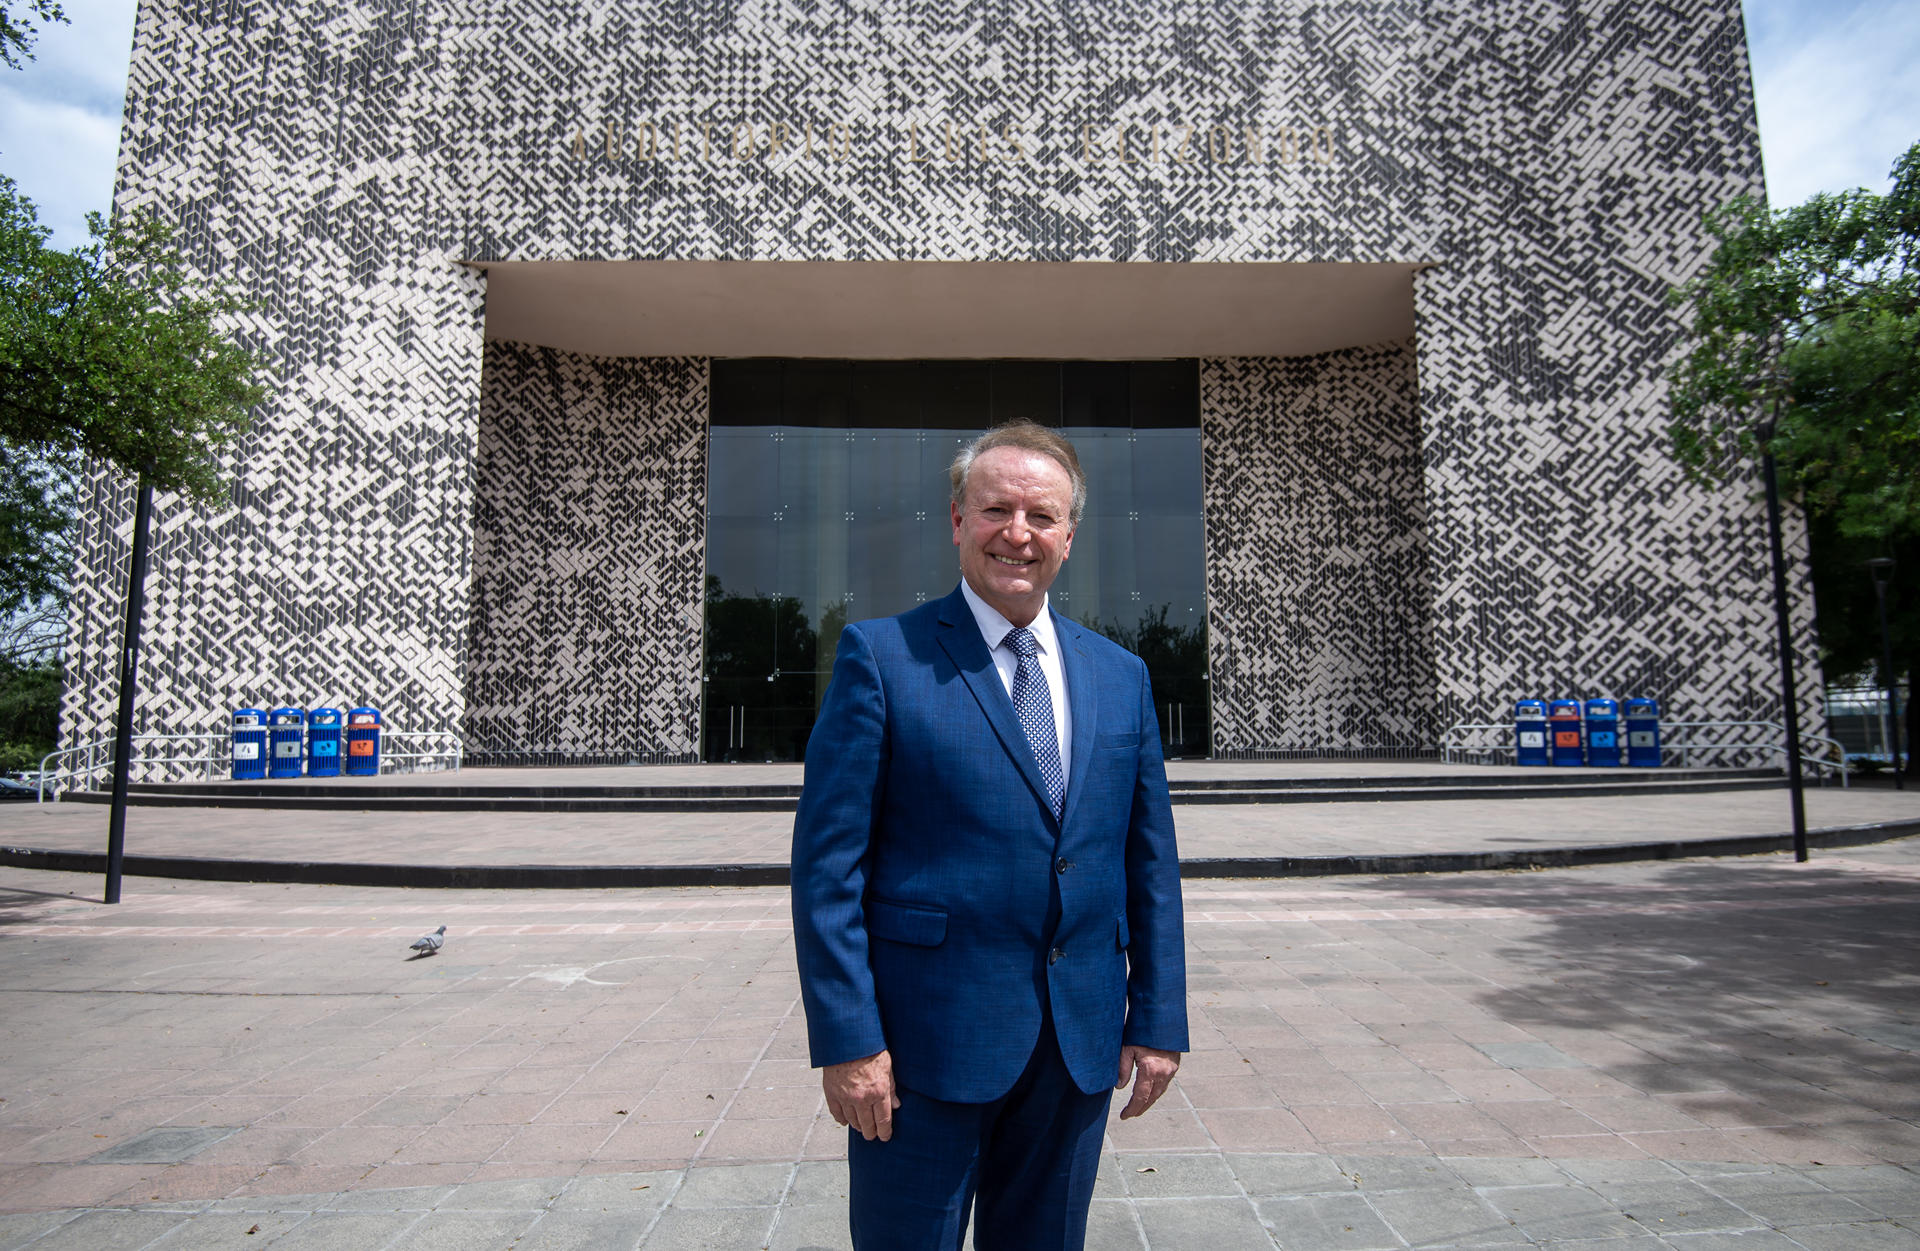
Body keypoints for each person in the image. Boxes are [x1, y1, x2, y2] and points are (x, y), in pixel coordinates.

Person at [791, 421, 1188, 1250]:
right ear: (957, 521)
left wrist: (1156, 1016)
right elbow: (827, 871)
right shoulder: (882, 657)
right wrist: (849, 1041)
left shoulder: (1123, 677)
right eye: (995, 508)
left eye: (1041, 516)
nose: (1018, 531)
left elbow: (1148, 863)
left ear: (1070, 536)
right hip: (921, 1054)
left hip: (1076, 1049)